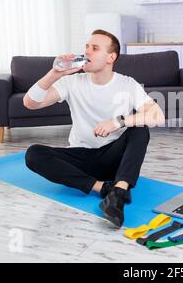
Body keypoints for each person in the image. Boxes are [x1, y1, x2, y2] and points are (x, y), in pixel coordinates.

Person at [23, 29, 165, 228]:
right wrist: (54, 74)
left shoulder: (127, 84)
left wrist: (118, 121)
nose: (87, 52)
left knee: (140, 129)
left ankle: (120, 190)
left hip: (113, 158)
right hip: (81, 158)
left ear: (110, 57)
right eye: (87, 47)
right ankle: (106, 189)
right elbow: (30, 103)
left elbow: (157, 116)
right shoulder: (71, 82)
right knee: (33, 154)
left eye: (95, 48)